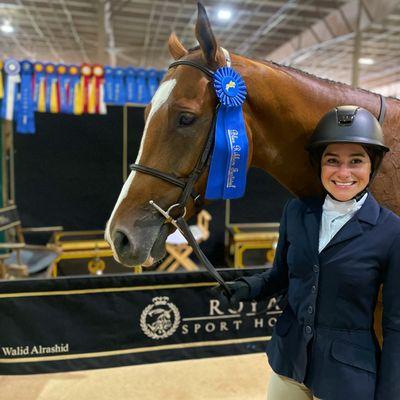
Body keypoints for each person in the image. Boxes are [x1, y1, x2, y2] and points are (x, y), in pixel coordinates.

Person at [224, 105, 400, 400]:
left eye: (356, 161)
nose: (343, 172)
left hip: (346, 375)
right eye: (333, 160)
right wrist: (248, 287)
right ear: (320, 163)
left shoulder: (392, 231)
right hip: (288, 362)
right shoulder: (296, 211)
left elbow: (396, 324)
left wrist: (391, 394)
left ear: (372, 165)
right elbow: (282, 275)